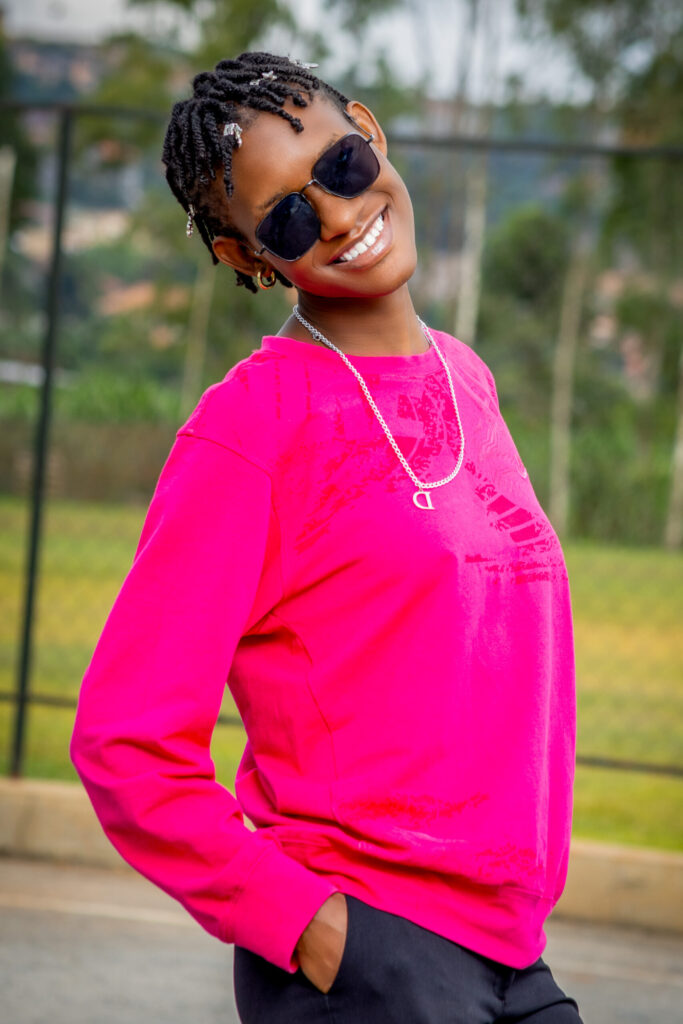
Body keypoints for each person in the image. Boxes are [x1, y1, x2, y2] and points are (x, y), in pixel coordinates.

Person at [70, 51, 584, 1023]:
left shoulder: (464, 378)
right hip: (369, 953)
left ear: (370, 131)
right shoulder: (252, 427)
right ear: (246, 257)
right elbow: (125, 739)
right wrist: (307, 924)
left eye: (340, 166)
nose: (340, 216)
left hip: (508, 945)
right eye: (290, 218)